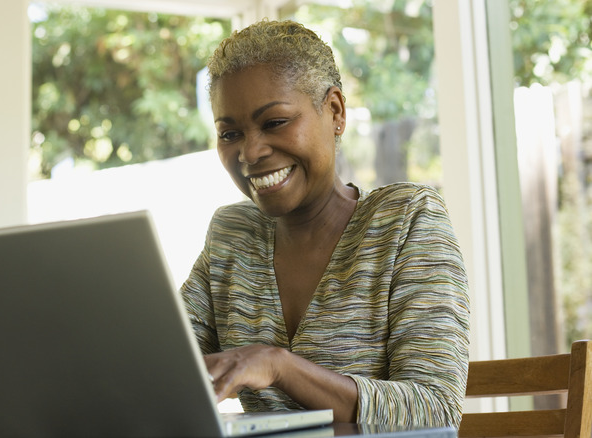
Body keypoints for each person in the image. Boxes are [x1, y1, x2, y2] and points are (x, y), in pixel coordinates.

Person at [180, 20, 470, 428]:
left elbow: (435, 408)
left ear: (334, 111)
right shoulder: (233, 234)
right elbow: (164, 364)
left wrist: (280, 366)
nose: (250, 152)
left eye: (274, 122)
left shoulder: (406, 220)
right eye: (230, 133)